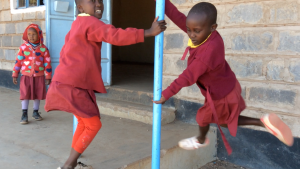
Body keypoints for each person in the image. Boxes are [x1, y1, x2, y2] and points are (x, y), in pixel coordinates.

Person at [153, 0, 294, 155]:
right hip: (227, 86)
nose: (191, 35)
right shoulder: (208, 34)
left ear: (213, 27)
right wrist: (163, 2)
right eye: (189, 29)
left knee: (203, 118)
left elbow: (187, 76)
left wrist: (166, 94)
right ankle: (263, 122)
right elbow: (178, 17)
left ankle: (200, 140)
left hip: (221, 95)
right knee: (226, 120)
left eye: (196, 31)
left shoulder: (205, 54)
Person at [44, 0, 167, 168]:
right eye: (92, 1)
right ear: (80, 7)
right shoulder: (90, 22)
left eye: (100, 0)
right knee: (93, 124)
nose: (99, 4)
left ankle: (71, 161)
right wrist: (148, 32)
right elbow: (115, 35)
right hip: (73, 85)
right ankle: (68, 165)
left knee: (84, 122)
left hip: (68, 83)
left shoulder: (78, 24)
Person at [12, 24, 52, 125]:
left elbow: (47, 63)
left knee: (37, 95)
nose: (31, 36)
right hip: (26, 76)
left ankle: (35, 112)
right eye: (29, 34)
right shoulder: (23, 47)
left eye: (33, 34)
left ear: (39, 35)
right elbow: (18, 62)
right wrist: (15, 74)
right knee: (25, 94)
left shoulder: (43, 49)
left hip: (39, 76)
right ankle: (24, 114)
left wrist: (48, 76)